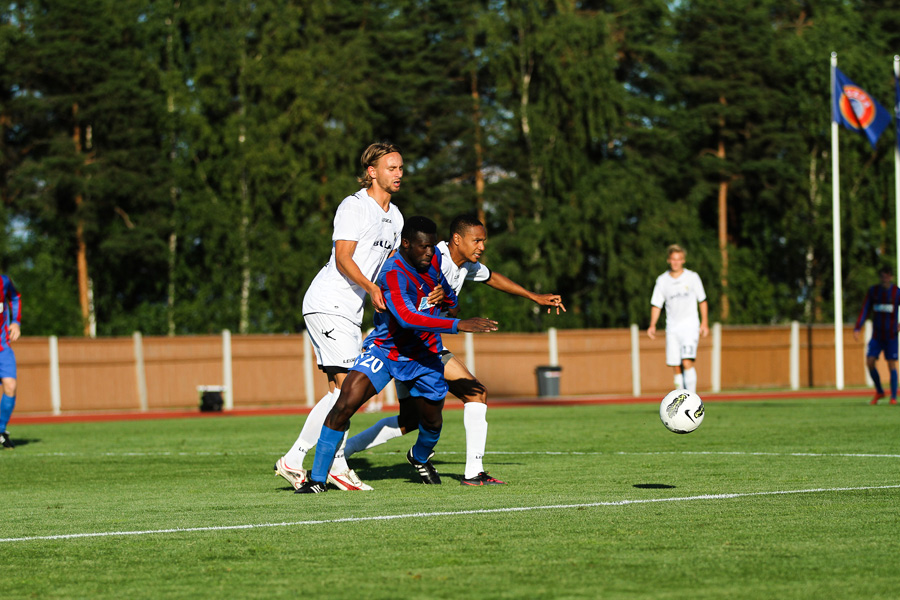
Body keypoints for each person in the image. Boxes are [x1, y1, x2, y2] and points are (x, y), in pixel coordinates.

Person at [334, 214, 565, 486]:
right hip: (402, 346)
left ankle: (347, 454)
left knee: (412, 419)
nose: (482, 246)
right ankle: (470, 472)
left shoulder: (466, 265)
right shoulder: (433, 257)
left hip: (423, 346)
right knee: (471, 394)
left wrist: (534, 297)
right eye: (476, 240)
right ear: (457, 239)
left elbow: (492, 278)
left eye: (484, 240)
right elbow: (403, 284)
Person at [295, 216, 499, 493]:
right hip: (386, 351)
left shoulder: (434, 262)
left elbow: (451, 301)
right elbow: (406, 318)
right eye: (423, 247)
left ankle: (419, 456)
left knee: (430, 423)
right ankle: (316, 480)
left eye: (431, 247)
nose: (429, 253)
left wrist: (447, 299)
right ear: (406, 244)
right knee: (344, 403)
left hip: (425, 357)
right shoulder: (392, 272)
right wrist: (457, 325)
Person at [275, 142, 417, 491]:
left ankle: (300, 461)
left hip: (349, 313)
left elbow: (392, 269)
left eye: (401, 168)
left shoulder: (396, 217)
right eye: (391, 168)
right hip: (328, 303)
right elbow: (343, 258)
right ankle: (324, 464)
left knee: (339, 394)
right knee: (348, 392)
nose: (399, 173)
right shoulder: (354, 207)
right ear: (372, 172)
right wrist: (370, 288)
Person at [647, 244, 708, 393]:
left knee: (687, 362)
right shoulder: (662, 280)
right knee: (676, 365)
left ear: (683, 260)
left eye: (679, 259)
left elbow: (702, 300)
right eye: (673, 259)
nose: (676, 262)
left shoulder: (692, 277)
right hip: (672, 328)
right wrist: (652, 325)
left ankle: (692, 399)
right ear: (669, 260)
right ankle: (680, 398)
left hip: (690, 326)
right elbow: (656, 304)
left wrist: (704, 323)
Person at [853, 265, 900, 405]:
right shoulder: (874, 291)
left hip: (891, 335)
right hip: (876, 336)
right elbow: (865, 309)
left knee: (891, 364)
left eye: (887, 276)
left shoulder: (896, 292)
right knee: (870, 361)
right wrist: (857, 327)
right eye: (882, 276)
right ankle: (879, 391)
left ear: (891, 277)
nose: (884, 279)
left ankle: (893, 397)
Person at [0, 274, 21, 449]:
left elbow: (15, 297)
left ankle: (1, 431)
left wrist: (16, 322)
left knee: (10, 386)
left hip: (3, 347)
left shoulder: (4, 281)